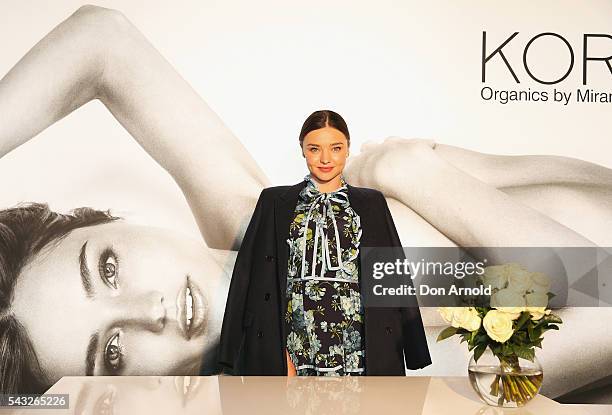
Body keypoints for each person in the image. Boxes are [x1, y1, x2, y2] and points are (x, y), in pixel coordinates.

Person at [0, 5, 610, 396]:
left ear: (112, 221)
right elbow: (604, 298)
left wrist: (471, 169)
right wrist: (417, 173)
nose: (149, 310)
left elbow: (101, 42)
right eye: (111, 352)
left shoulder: (249, 217)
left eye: (107, 268)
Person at [217, 110, 431, 376]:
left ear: (348, 150)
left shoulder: (371, 202)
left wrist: (415, 349)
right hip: (294, 341)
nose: (326, 158)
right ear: (303, 151)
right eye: (315, 149)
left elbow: (392, 276)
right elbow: (246, 276)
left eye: (336, 148)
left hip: (360, 342)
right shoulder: (274, 202)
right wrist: (237, 351)